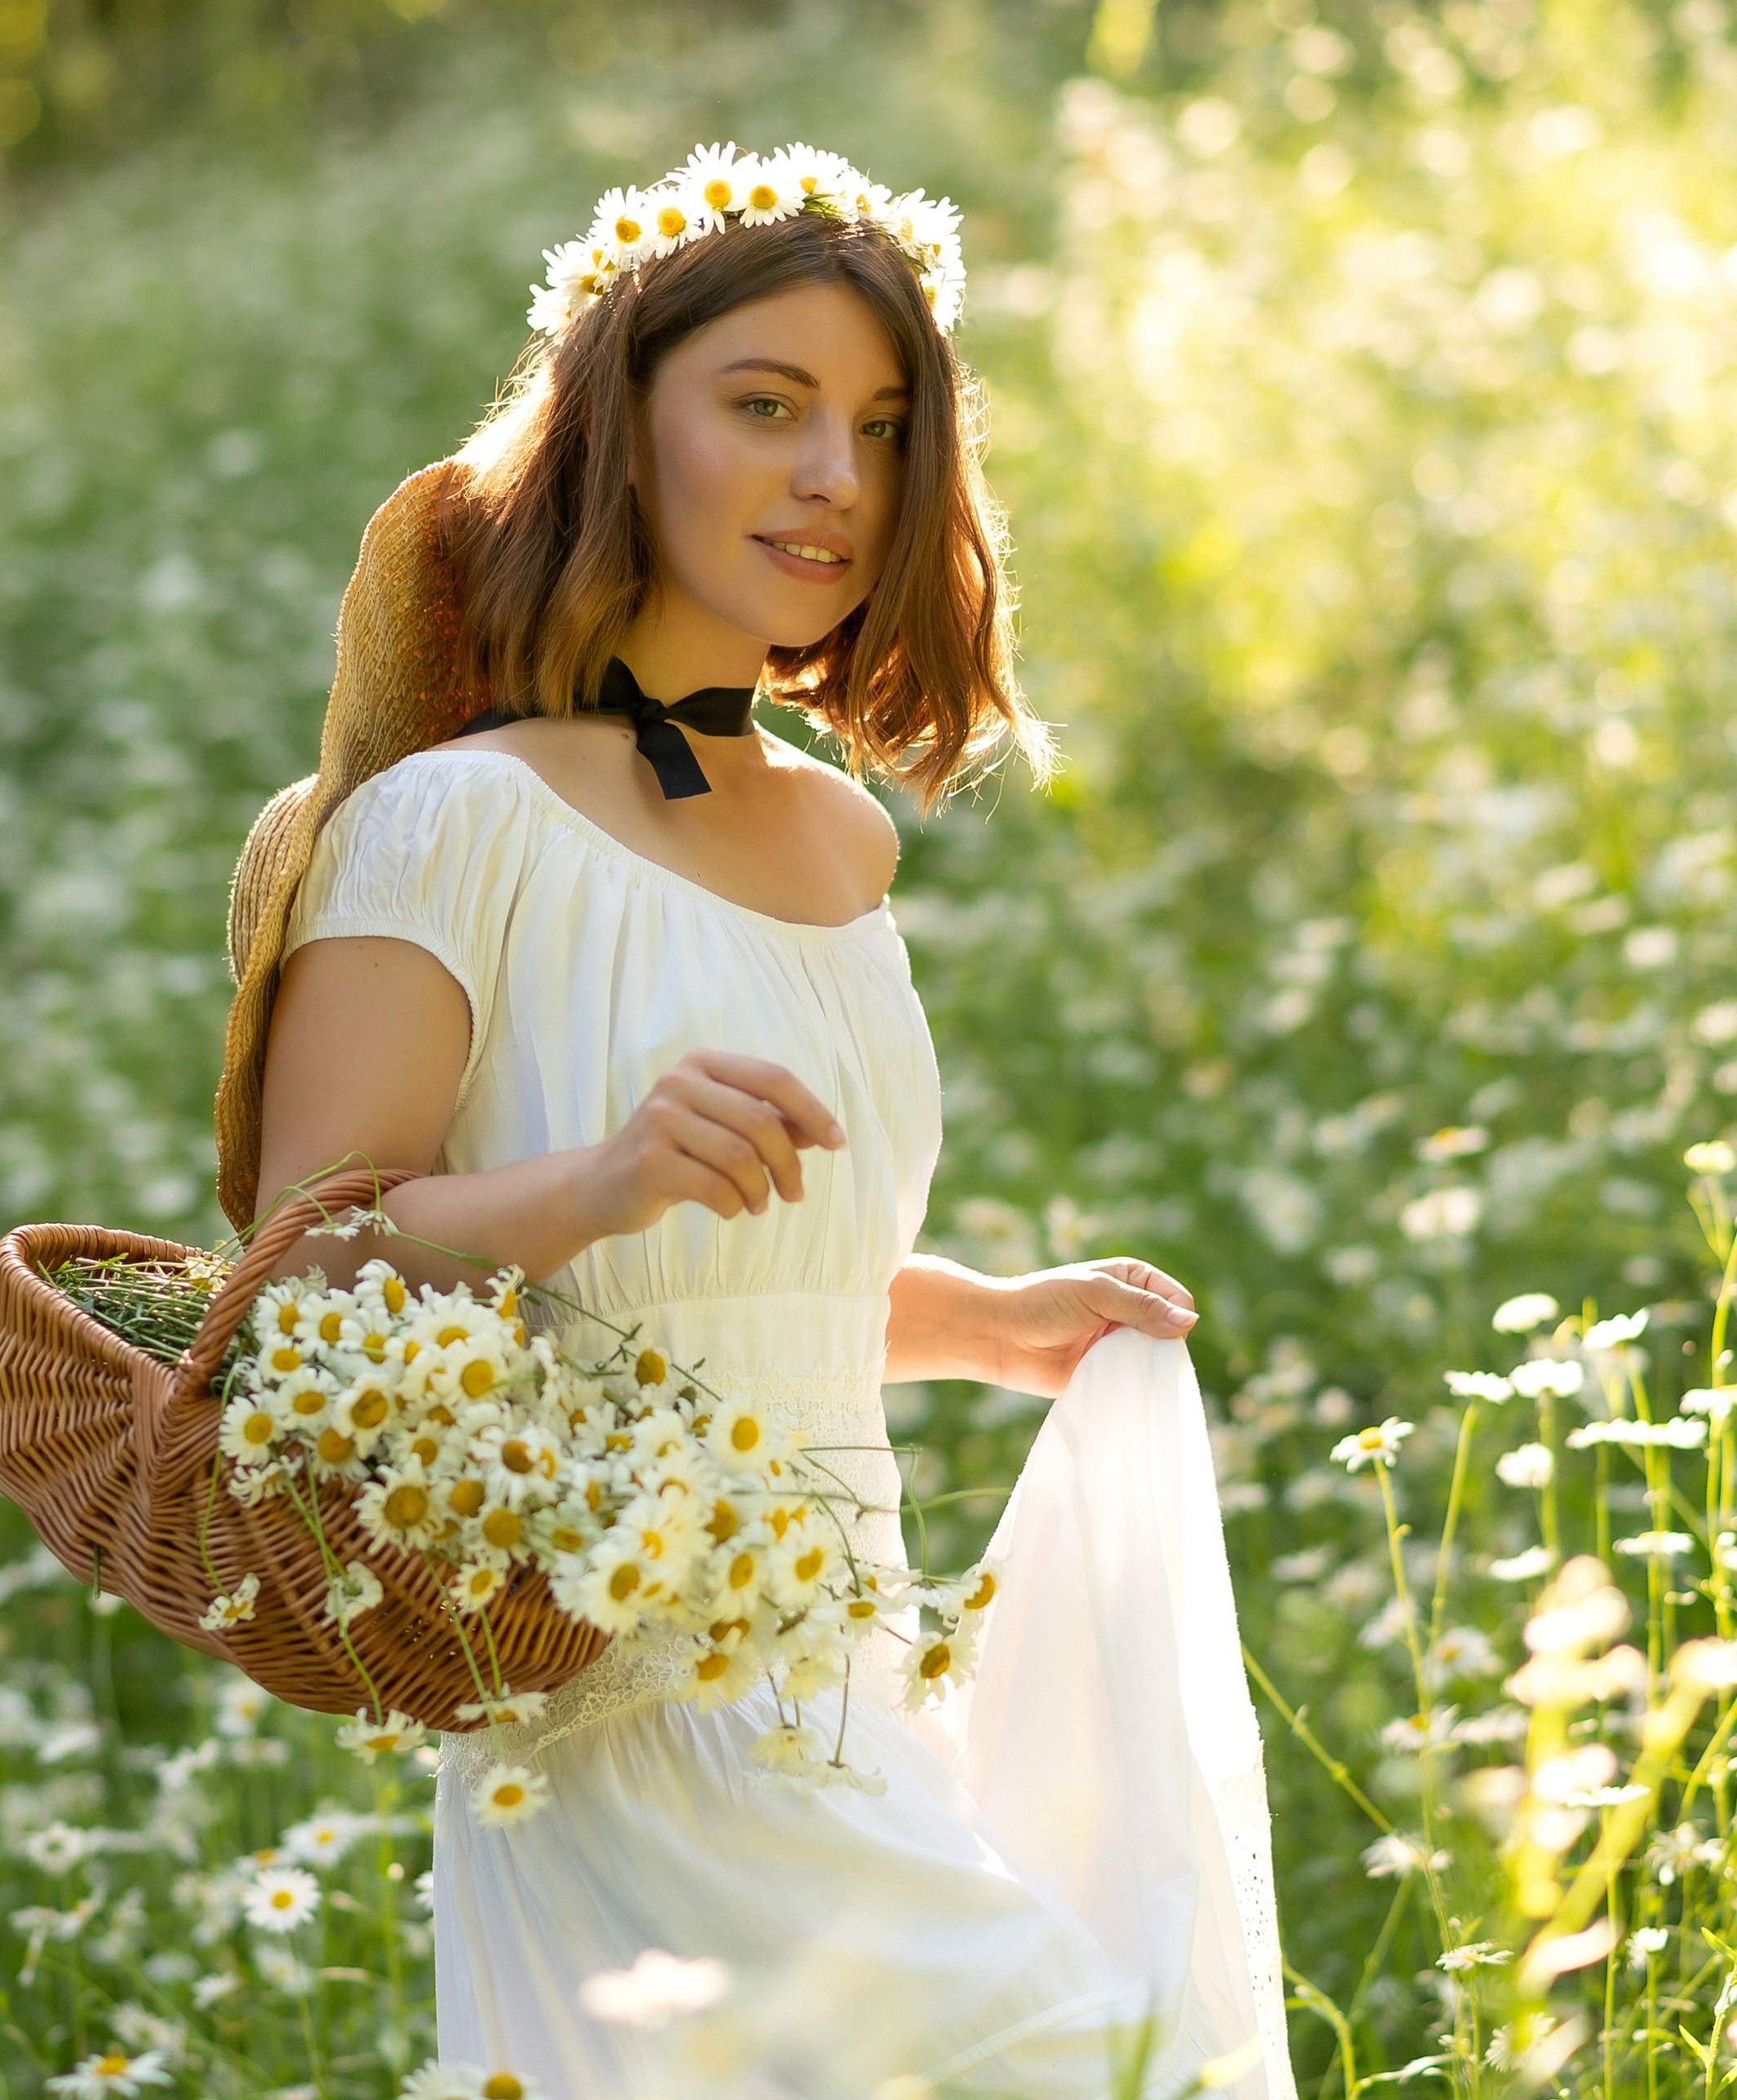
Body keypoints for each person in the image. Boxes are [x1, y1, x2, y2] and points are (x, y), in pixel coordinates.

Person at [211, 144, 1298, 2100]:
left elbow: (738, 1284)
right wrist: (598, 1170)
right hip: (626, 1707)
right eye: (766, 406)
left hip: (847, 1674)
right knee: (1106, 2069)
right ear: (618, 428)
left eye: (881, 428)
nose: (834, 478)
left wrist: (980, 1318)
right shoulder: (447, 824)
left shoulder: (839, 835)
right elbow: (303, 1281)